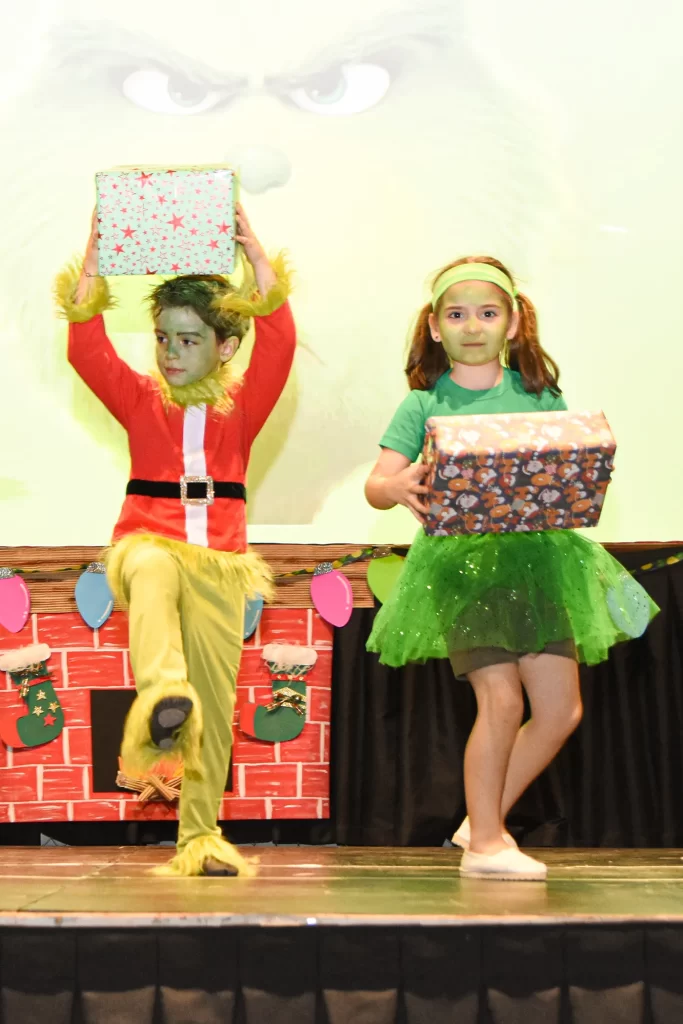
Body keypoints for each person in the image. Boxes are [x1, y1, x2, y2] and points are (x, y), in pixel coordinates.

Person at [364, 257, 658, 881]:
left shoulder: (540, 397)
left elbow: (564, 466)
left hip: (539, 563)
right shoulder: (423, 403)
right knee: (499, 698)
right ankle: (486, 844)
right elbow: (377, 485)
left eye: (488, 313)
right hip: (465, 568)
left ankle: (482, 818)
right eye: (457, 314)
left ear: (514, 323)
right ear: (435, 327)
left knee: (560, 711)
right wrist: (398, 486)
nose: (473, 326)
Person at [55, 206, 296, 876]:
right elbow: (85, 349)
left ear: (225, 346)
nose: (170, 352)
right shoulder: (139, 399)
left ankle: (199, 837)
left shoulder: (243, 407)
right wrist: (93, 266)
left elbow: (279, 342)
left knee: (216, 703)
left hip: (221, 562)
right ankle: (165, 691)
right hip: (146, 541)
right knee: (154, 569)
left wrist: (259, 263)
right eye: (162, 337)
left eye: (188, 340)